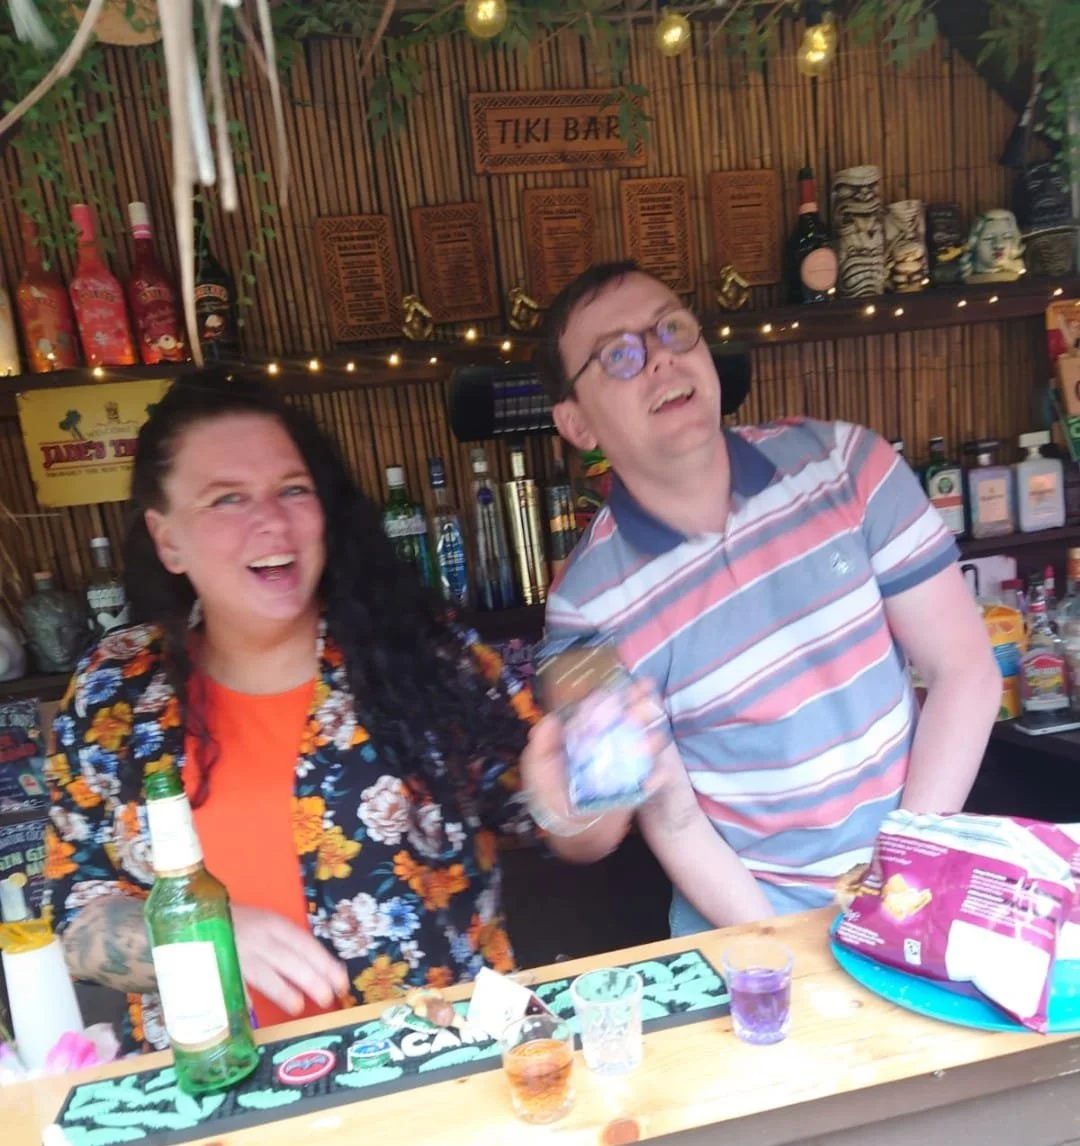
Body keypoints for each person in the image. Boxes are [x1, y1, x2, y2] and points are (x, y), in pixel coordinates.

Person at [44, 371, 536, 1052]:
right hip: (220, 1107)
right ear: (168, 540)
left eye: (293, 490)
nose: (270, 521)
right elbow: (75, 914)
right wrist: (203, 934)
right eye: (226, 499)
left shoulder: (426, 654)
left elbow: (546, 810)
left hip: (442, 1072)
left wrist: (595, 749)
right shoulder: (114, 694)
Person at [520, 260, 1001, 933]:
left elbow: (965, 672)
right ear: (576, 423)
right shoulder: (589, 607)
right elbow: (670, 815)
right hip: (746, 924)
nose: (660, 359)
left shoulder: (849, 467)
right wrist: (776, 953)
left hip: (917, 881)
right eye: (619, 355)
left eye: (672, 329)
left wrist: (901, 870)